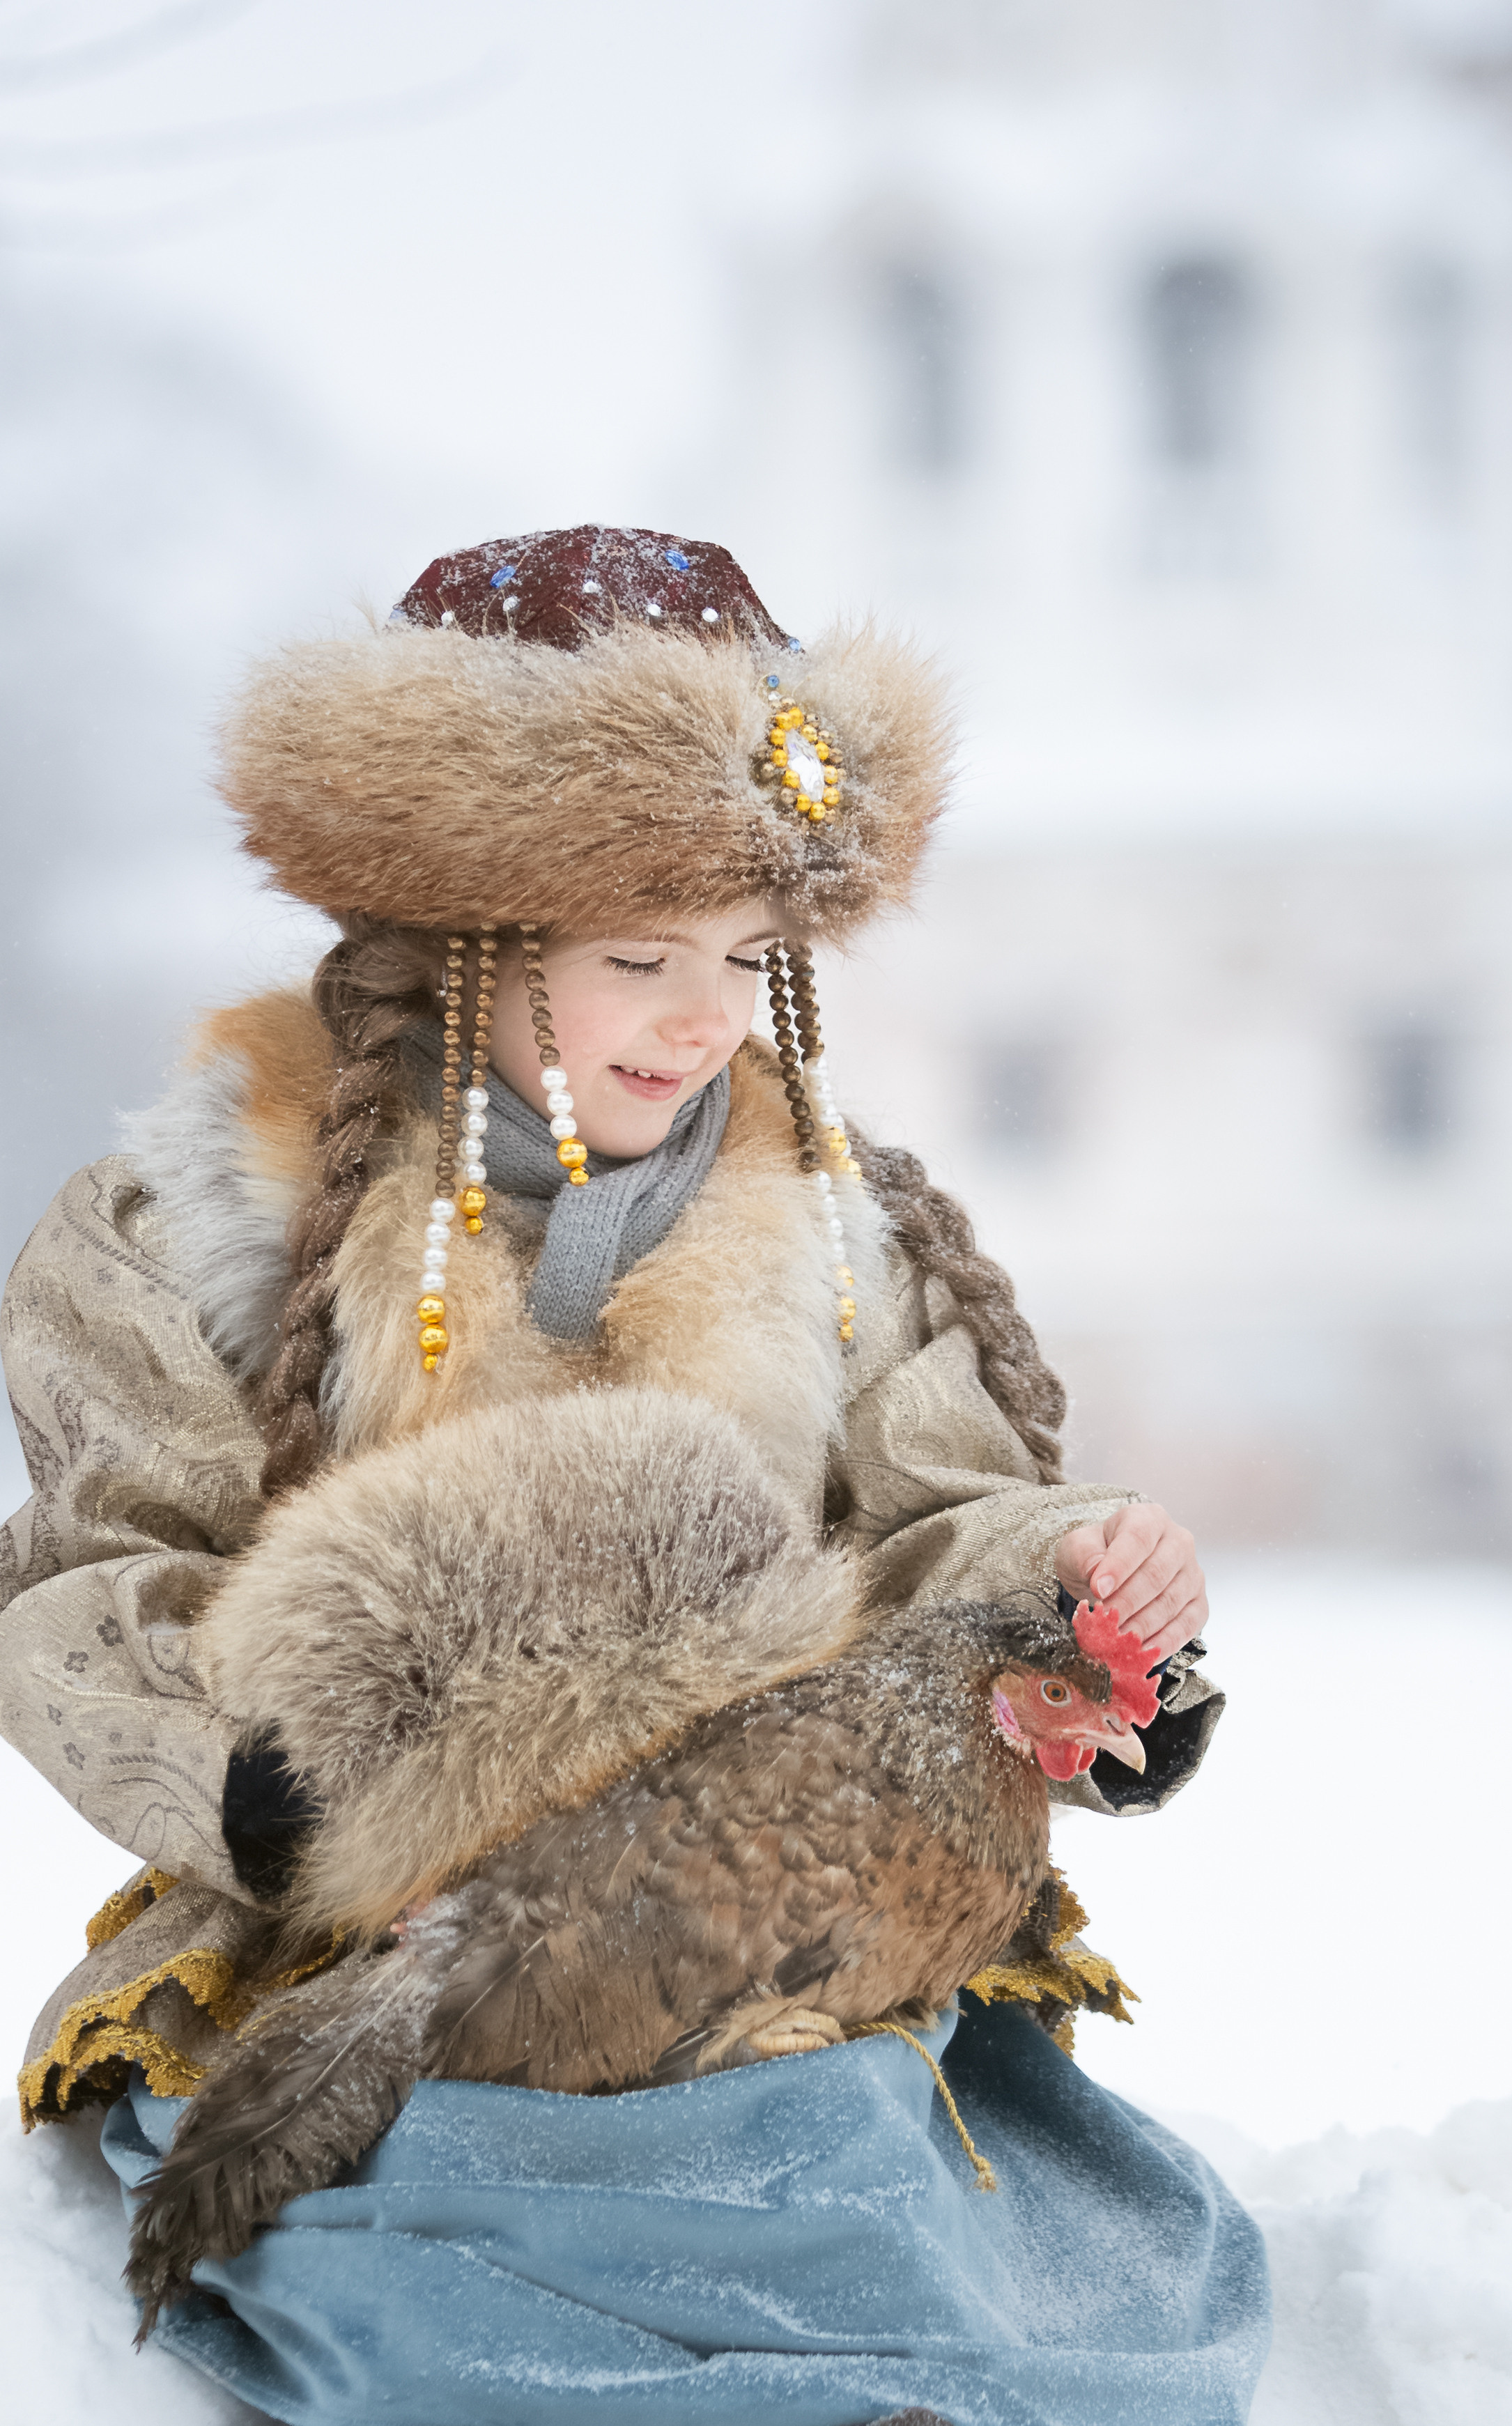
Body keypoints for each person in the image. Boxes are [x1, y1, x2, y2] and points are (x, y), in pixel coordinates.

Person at [0, 527, 1270, 2425]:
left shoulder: (837, 1225)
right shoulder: (195, 1216)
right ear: (462, 937)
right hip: (385, 1924)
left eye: (754, 962)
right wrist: (271, 1775)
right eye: (638, 958)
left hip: (754, 1902)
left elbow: (927, 1520)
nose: (704, 1019)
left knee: (829, 2150)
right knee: (466, 2202)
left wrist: (1071, 1570)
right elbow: (93, 1579)